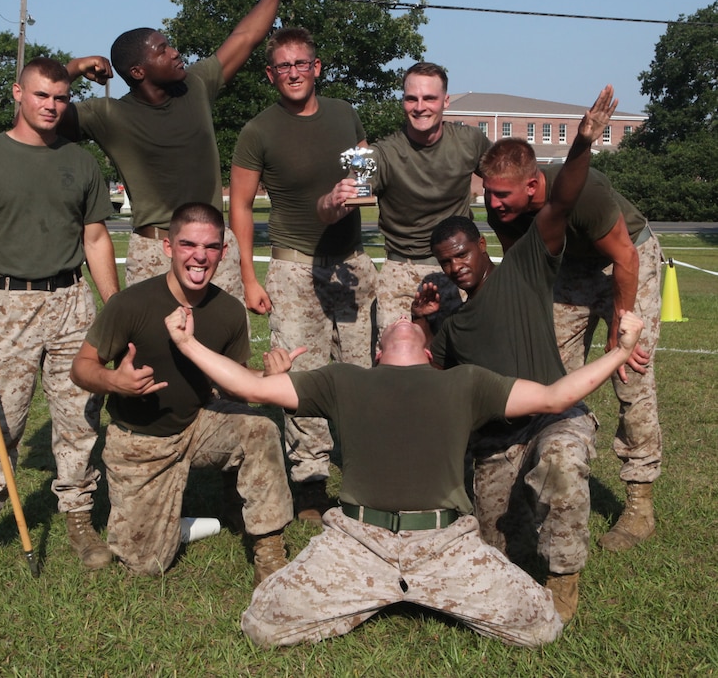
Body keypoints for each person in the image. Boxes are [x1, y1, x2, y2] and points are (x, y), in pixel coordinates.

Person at [164, 291, 644, 647]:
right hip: (357, 540)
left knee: (540, 627)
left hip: (444, 544)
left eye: (411, 320)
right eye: (391, 320)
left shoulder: (465, 383)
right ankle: (382, 593)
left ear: (429, 351)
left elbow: (556, 396)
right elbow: (251, 388)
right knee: (263, 626)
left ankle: (404, 591)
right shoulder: (341, 380)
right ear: (376, 351)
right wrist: (187, 345)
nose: (400, 317)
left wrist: (620, 352)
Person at [415, 86, 619, 623]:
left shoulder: (526, 269)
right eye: (445, 260)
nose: (455, 265)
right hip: (498, 442)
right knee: (495, 554)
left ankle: (562, 583)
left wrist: (581, 145)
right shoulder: (452, 325)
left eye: (461, 253)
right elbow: (421, 380)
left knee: (560, 468)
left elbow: (563, 201)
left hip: (555, 418)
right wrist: (420, 318)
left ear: (482, 245)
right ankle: (522, 529)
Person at [0, 57, 121, 581]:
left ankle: (78, 517)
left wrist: (114, 312)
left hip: (73, 302)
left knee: (79, 418)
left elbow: (95, 238)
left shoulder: (81, 161)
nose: (52, 106)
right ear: (18, 93)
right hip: (9, 305)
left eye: (60, 98)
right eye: (41, 96)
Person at [69, 202, 294, 584]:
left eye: (210, 247)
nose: (199, 256)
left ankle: (269, 550)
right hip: (139, 443)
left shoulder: (228, 310)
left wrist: (266, 375)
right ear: (168, 247)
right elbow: (81, 368)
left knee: (260, 430)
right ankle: (173, 519)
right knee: (144, 563)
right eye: (189, 244)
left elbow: (233, 382)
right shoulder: (131, 305)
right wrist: (114, 382)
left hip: (197, 424)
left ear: (224, 252)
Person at [61, 0, 311, 301]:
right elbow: (36, 105)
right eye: (162, 50)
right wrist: (74, 68)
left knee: (223, 350)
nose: (175, 52)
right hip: (155, 250)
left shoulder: (195, 85)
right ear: (137, 71)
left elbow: (247, 36)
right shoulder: (109, 114)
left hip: (215, 248)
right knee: (154, 352)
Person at [481, 130, 662, 553]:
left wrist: (621, 331)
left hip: (627, 259)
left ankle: (640, 501)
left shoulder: (585, 192)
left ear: (532, 185)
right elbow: (524, 271)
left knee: (629, 372)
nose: (493, 204)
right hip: (570, 270)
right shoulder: (504, 211)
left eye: (502, 194)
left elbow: (625, 258)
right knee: (549, 376)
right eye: (488, 193)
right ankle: (549, 474)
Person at [230, 26, 377, 524]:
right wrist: (249, 276)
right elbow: (242, 207)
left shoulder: (344, 113)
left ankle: (361, 472)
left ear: (317, 68)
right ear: (271, 74)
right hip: (294, 269)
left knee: (358, 373)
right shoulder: (258, 131)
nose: (293, 73)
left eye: (301, 63)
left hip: (352, 262)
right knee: (302, 374)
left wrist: (355, 189)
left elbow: (365, 174)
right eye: (283, 66)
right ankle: (310, 480)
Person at [318, 61, 489, 331]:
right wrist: (332, 201)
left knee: (461, 364)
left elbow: (505, 179)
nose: (420, 107)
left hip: (458, 270)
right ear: (403, 102)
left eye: (429, 98)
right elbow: (336, 208)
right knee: (396, 365)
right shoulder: (379, 154)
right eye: (412, 98)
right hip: (402, 271)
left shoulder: (471, 141)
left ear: (446, 101)